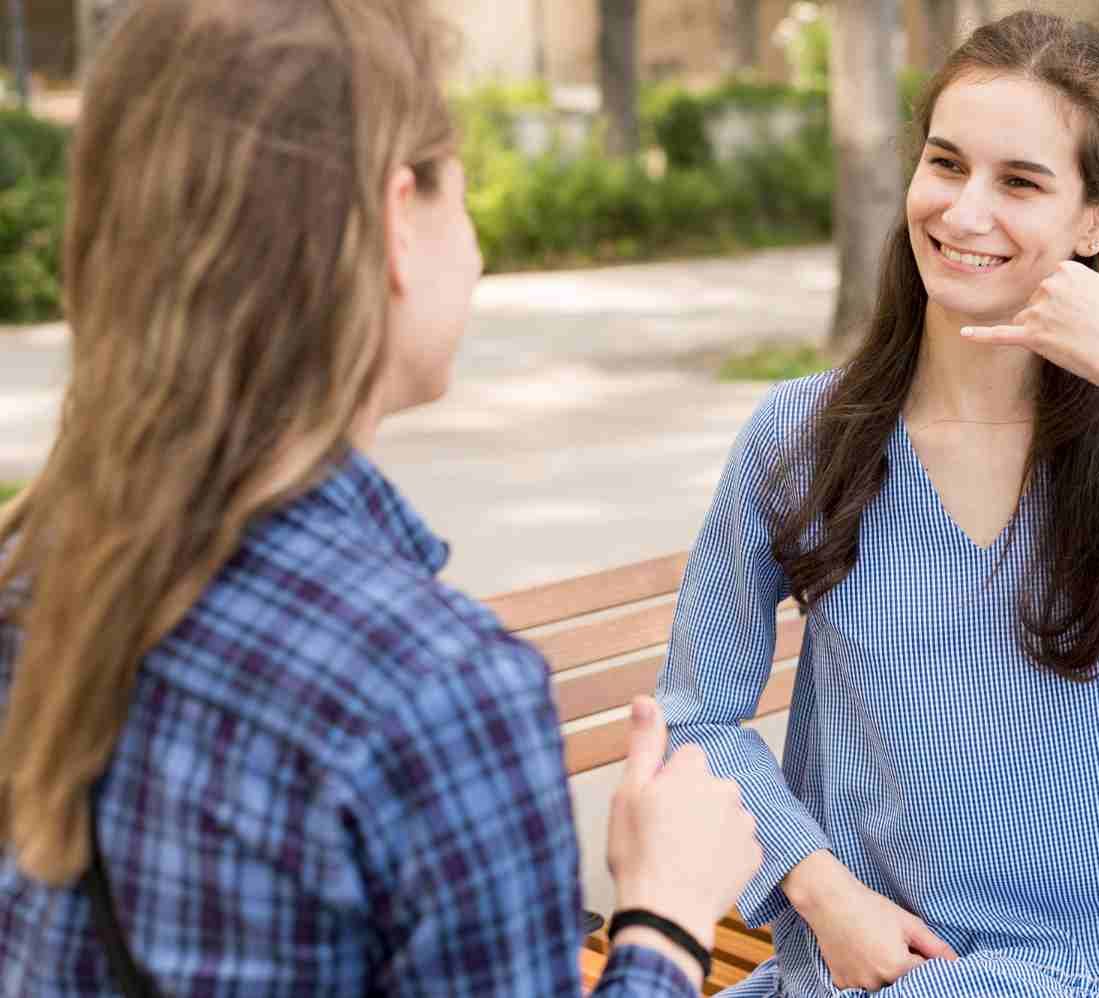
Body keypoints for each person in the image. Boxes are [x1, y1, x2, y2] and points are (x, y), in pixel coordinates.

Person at [0, 1, 759, 994]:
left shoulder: (36, 567)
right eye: (461, 185)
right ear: (398, 217)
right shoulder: (432, 689)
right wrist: (665, 910)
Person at [659, 12, 1099, 998]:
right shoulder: (798, 437)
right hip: (883, 963)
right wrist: (824, 889)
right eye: (946, 164)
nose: (965, 213)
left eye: (1020, 181)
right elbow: (692, 715)